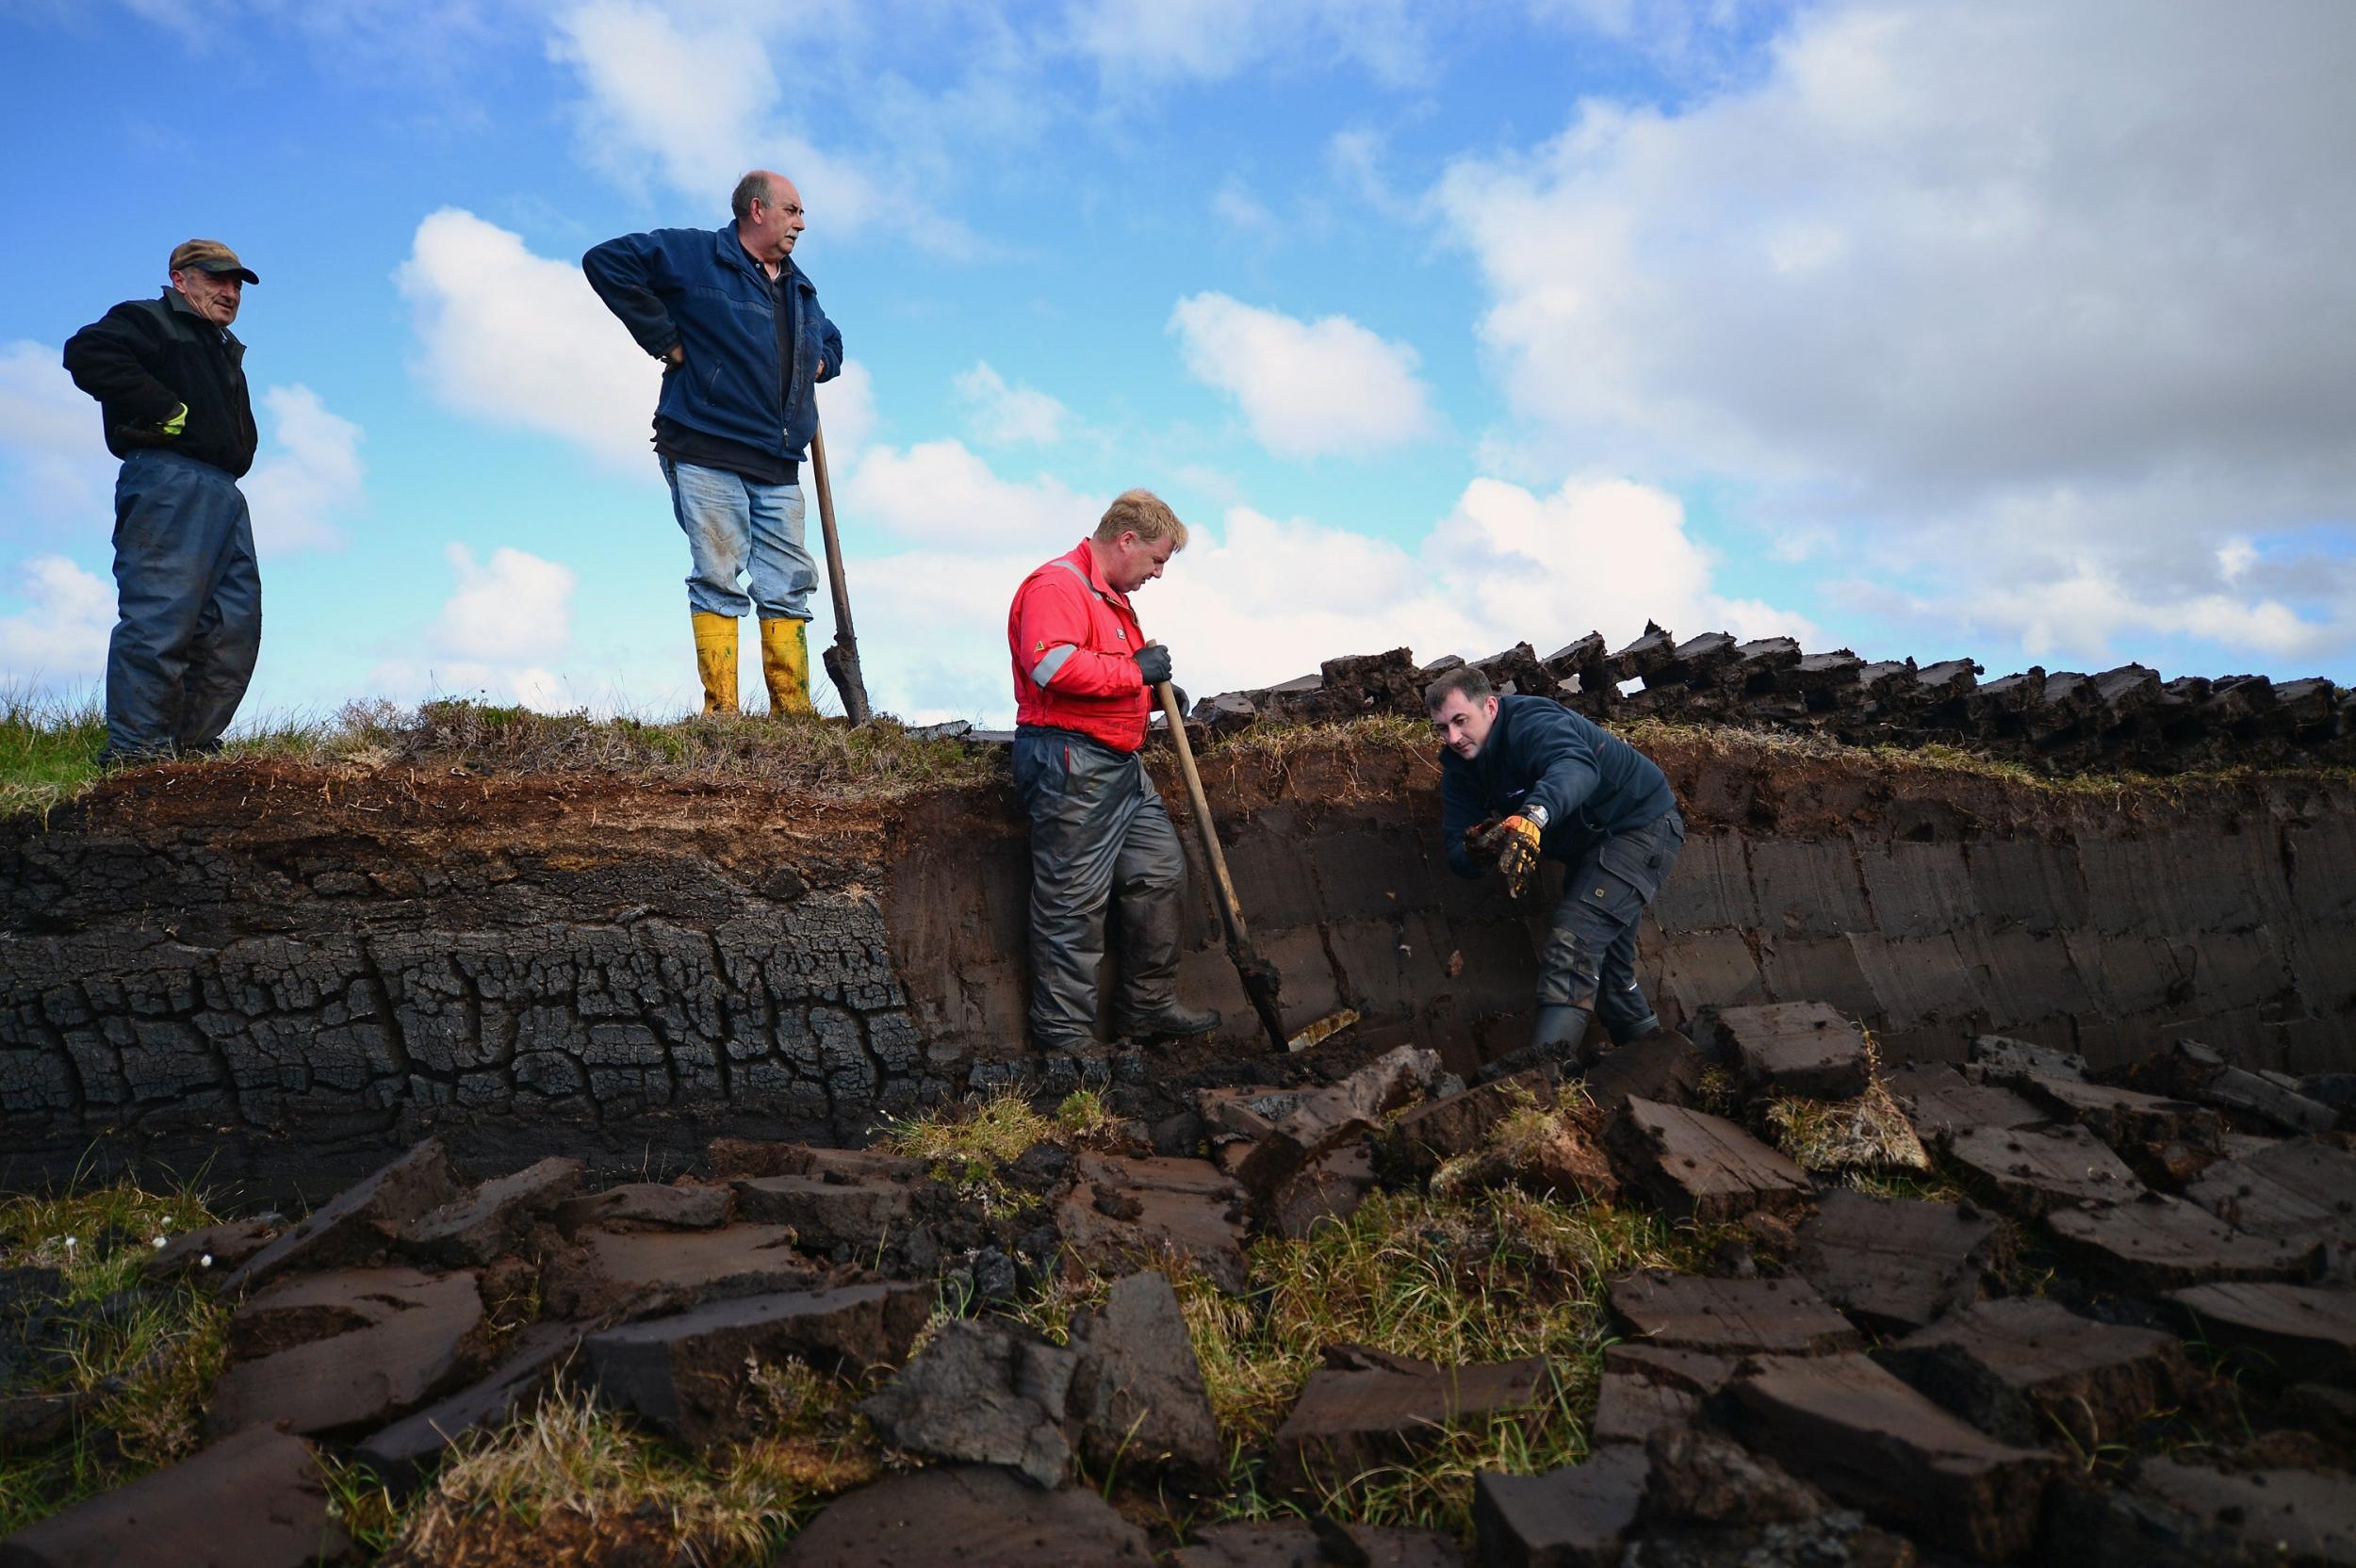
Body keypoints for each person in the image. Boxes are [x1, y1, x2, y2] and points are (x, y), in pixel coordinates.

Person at [582, 170, 843, 717]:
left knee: (788, 583)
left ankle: (791, 713)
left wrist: (820, 362)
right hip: (707, 447)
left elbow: (831, 339)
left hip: (777, 460)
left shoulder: (799, 287)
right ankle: (722, 713)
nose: (802, 222)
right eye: (793, 210)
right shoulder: (695, 255)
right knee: (719, 576)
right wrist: (666, 340)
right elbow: (605, 261)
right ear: (756, 209)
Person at [1006, 490, 1222, 1053]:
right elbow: (1051, 665)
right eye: (1156, 560)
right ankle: (1064, 1039)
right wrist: (1135, 671)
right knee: (1073, 902)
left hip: (1120, 765)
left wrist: (1150, 697)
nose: (1157, 574)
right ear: (1126, 540)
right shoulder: (1058, 585)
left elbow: (1101, 677)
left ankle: (1147, 1009)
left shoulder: (1110, 597)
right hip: (1071, 763)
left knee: (1159, 873)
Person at [61, 239, 264, 765]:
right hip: (169, 479)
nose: (230, 290)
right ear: (180, 278)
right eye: (217, 278)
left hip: (225, 492)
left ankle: (190, 748)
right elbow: (87, 351)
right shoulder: (150, 319)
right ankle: (137, 754)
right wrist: (162, 407)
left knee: (231, 627)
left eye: (237, 282)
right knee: (161, 617)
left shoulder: (221, 345)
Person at [1428, 665, 1685, 1079]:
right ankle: (1664, 1070)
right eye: (1442, 728)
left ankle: (1540, 1078)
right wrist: (1479, 848)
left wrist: (1533, 815)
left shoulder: (1534, 722)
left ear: (1490, 707)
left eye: (1461, 721)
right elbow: (1457, 850)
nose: (1453, 738)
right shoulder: (1461, 768)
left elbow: (1577, 768)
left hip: (1639, 827)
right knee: (1608, 980)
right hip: (1592, 851)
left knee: (1575, 939)